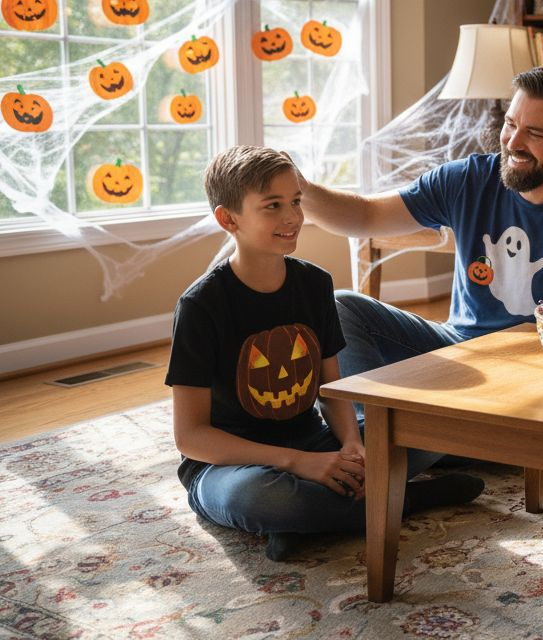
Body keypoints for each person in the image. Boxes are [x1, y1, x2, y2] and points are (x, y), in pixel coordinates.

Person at [166, 146, 483, 562]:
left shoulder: (314, 284)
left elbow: (332, 388)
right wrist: (297, 463)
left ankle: (308, 520)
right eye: (273, 206)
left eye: (295, 202)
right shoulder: (201, 306)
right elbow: (190, 437)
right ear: (229, 219)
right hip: (232, 467)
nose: (292, 217)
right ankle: (404, 500)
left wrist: (352, 444)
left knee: (432, 425)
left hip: (316, 442)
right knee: (261, 499)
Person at [297, 65, 543, 378]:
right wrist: (303, 190)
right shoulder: (467, 180)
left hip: (537, 367)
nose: (513, 143)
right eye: (511, 124)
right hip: (456, 346)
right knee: (342, 307)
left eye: (534, 134)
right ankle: (367, 434)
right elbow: (367, 216)